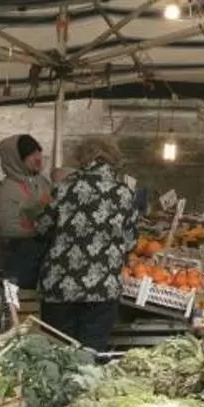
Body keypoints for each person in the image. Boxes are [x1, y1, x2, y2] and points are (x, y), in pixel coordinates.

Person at [38, 136, 138, 351]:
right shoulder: (124, 193)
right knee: (91, 354)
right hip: (103, 289)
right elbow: (130, 241)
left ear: (83, 159)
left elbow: (43, 226)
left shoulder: (64, 188)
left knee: (58, 351)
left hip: (61, 285)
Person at [0, 134, 51, 290]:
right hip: (20, 259)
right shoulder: (8, 190)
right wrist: (38, 228)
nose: (38, 158)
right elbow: (8, 228)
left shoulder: (42, 182)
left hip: (44, 260)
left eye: (38, 152)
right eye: (30, 155)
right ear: (15, 159)